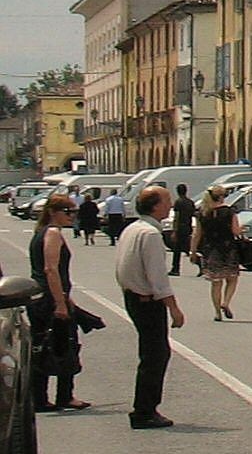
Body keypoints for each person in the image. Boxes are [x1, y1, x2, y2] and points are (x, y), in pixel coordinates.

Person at [114, 184, 183, 429]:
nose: (170, 205)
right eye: (166, 200)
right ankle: (145, 410)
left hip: (133, 296)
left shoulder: (133, 229)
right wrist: (174, 308)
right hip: (147, 301)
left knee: (152, 353)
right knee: (156, 354)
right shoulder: (151, 234)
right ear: (155, 206)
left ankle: (145, 408)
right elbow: (158, 278)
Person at [28, 193, 98, 412]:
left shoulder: (40, 232)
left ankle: (40, 397)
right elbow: (51, 269)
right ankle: (64, 396)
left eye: (73, 212)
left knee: (42, 344)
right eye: (67, 212)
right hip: (49, 298)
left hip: (42, 296)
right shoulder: (52, 233)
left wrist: (67, 298)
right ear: (52, 212)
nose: (71, 216)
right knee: (65, 343)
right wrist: (60, 302)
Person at [196, 186, 243, 321]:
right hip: (228, 248)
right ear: (222, 197)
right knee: (232, 278)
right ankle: (226, 302)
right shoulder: (229, 211)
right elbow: (235, 231)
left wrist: (193, 250)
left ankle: (217, 312)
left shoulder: (203, 212)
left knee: (216, 282)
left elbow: (197, 234)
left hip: (211, 249)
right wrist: (242, 230)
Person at [167, 183, 197, 276]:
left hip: (180, 227)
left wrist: (174, 231)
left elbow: (177, 217)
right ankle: (199, 262)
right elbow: (193, 214)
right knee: (186, 247)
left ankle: (175, 268)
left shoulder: (178, 202)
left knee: (177, 249)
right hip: (188, 227)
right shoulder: (190, 202)